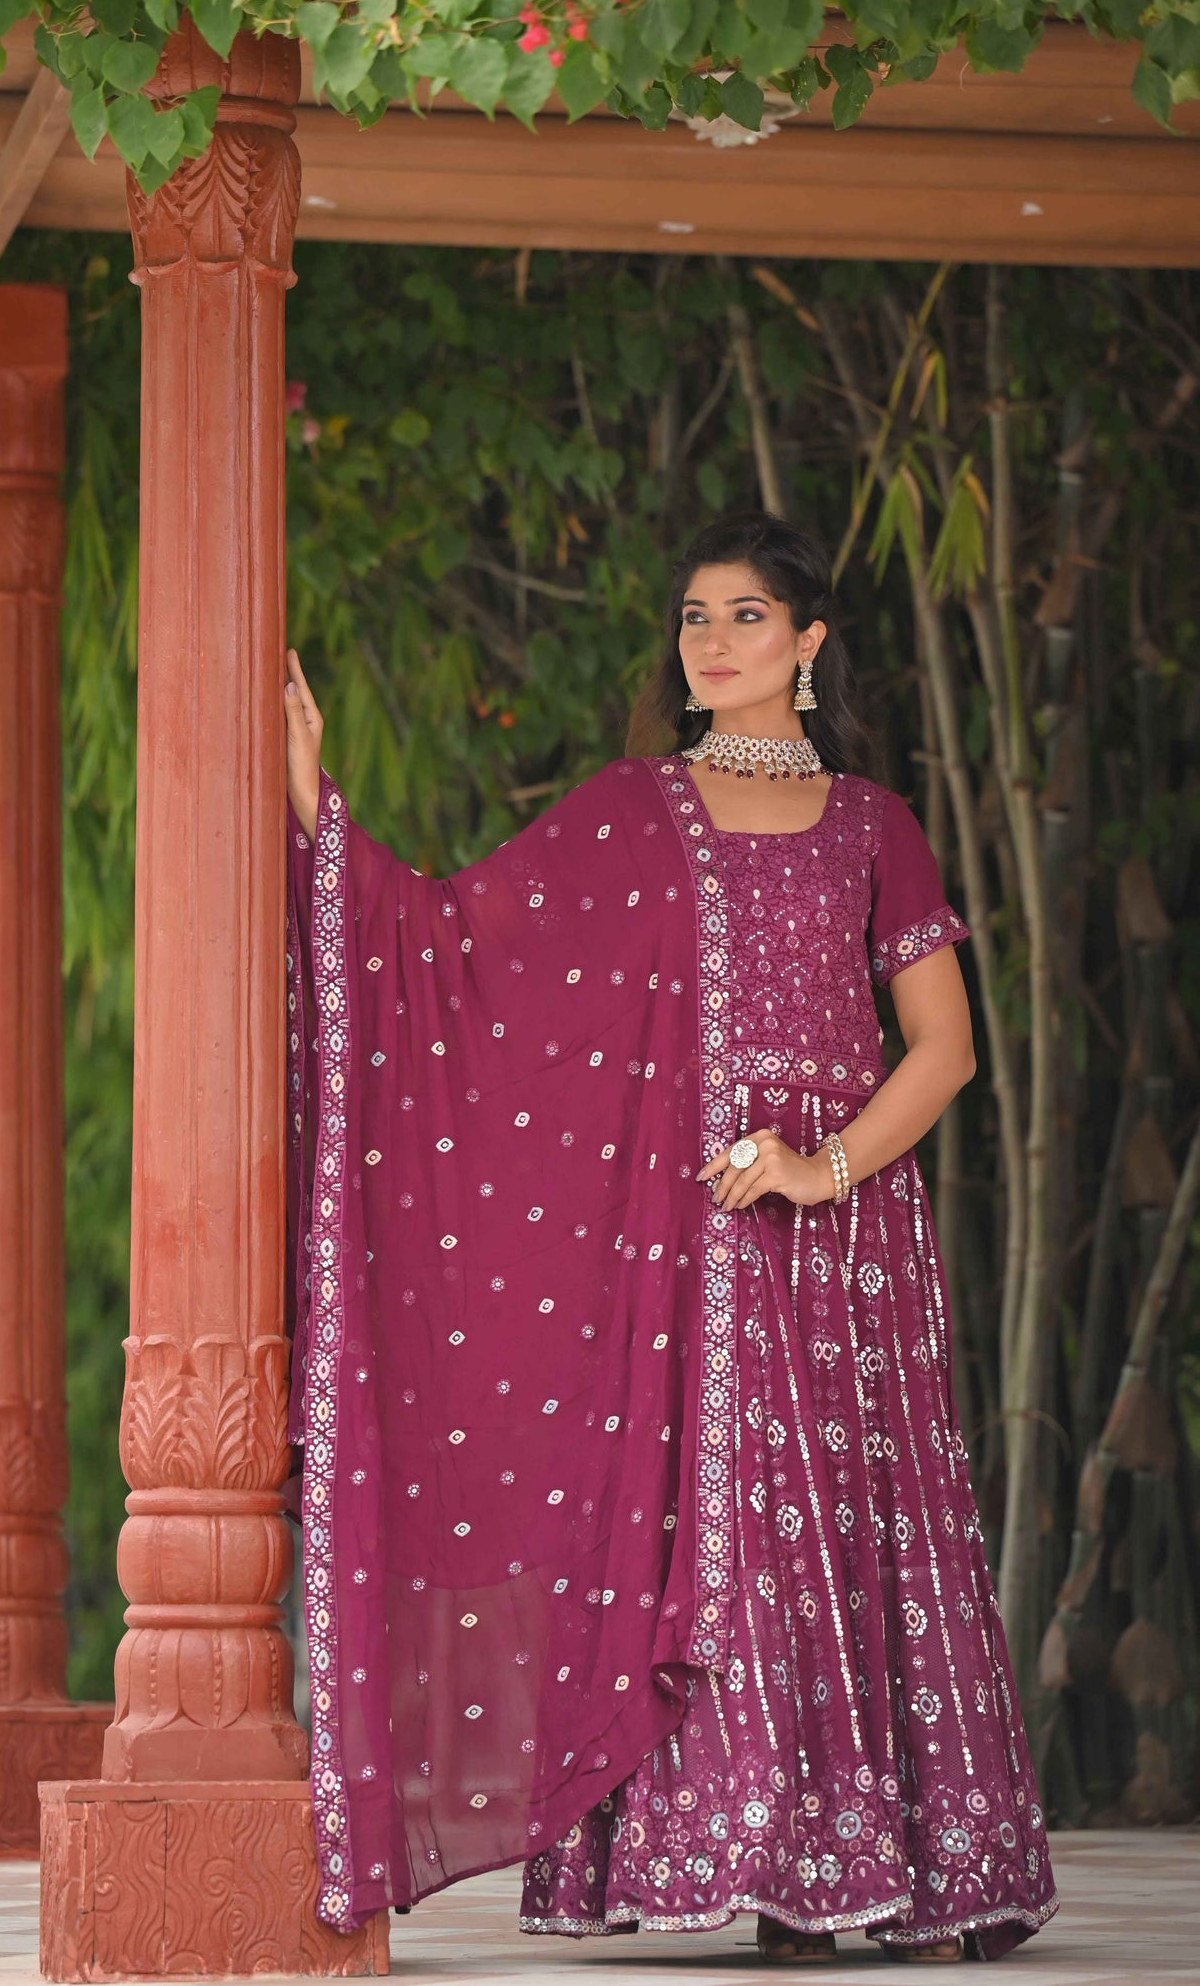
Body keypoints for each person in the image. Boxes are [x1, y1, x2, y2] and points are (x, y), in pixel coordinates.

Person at [283, 509, 1057, 1965]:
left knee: (851, 1525)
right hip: (681, 1236)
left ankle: (895, 1864)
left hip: (844, 1241)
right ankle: (753, 1858)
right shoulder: (634, 810)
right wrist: (312, 799)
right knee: (725, 1530)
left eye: (745, 616)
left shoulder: (874, 824)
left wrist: (819, 1168)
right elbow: (454, 951)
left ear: (808, 642)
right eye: (695, 617)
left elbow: (945, 1049)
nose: (712, 640)